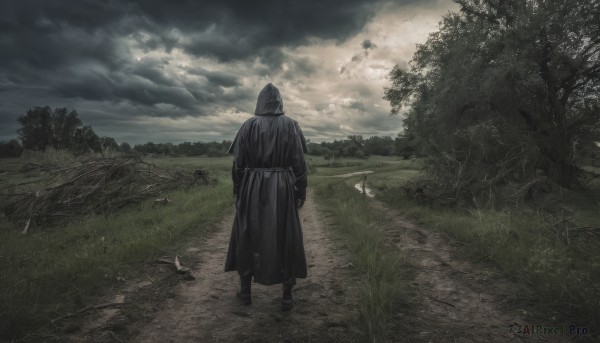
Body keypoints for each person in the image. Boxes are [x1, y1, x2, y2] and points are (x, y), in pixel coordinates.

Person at [224, 83, 308, 311]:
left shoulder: (248, 125)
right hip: (282, 188)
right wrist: (301, 191)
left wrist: (239, 191)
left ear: (259, 102)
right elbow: (300, 165)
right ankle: (287, 295)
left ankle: (245, 292)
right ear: (280, 102)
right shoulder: (292, 126)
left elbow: (238, 165)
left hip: (252, 186)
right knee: (286, 235)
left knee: (247, 233)